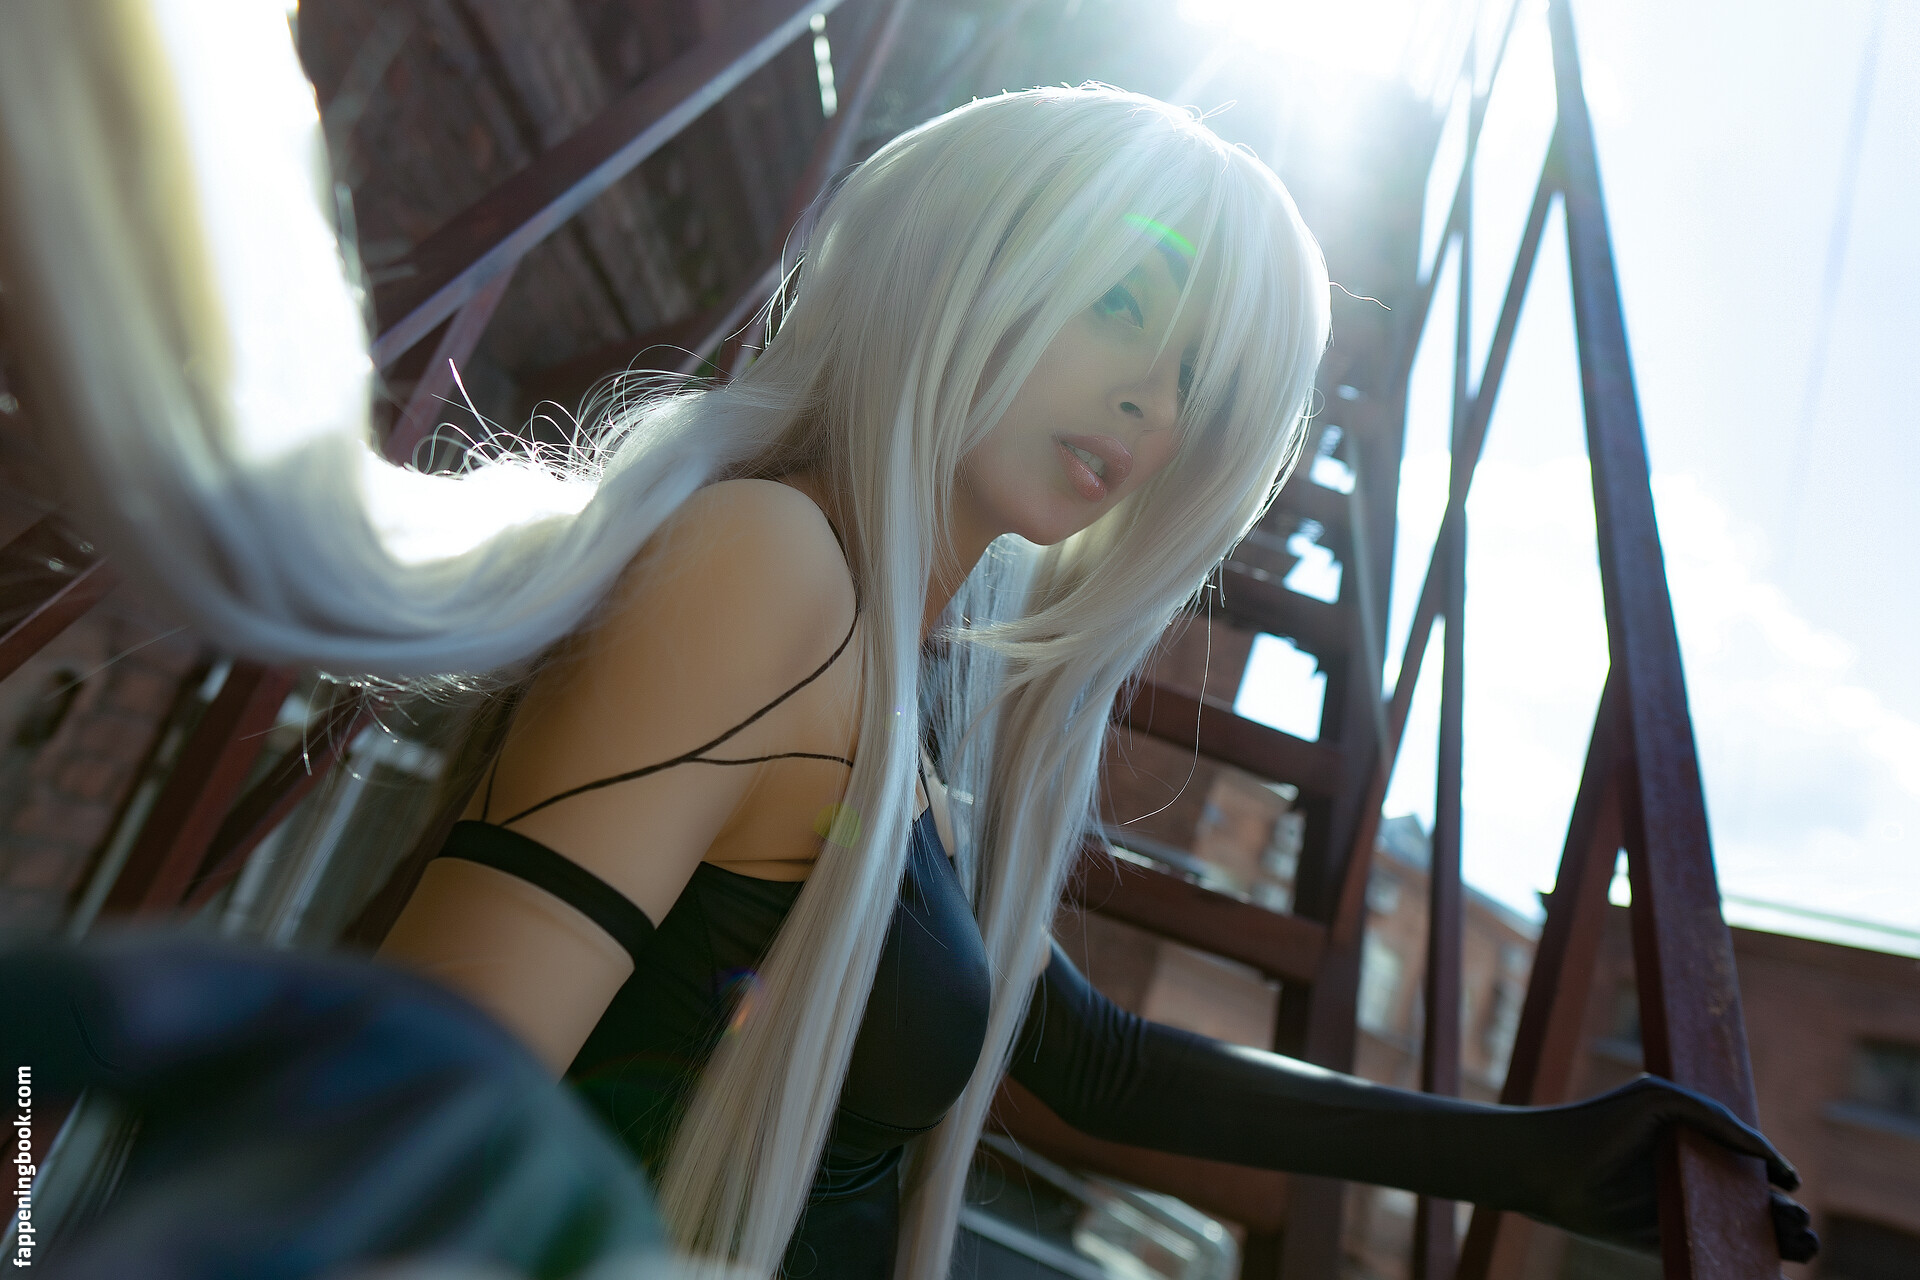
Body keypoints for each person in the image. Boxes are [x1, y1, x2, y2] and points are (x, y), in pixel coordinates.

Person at [0, 4, 1814, 1278]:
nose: (1153, 399)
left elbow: (1082, 1056)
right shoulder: (767, 567)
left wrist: (1530, 1156)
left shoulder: (910, 665)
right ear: (962, 262)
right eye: (1118, 302)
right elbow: (435, 1080)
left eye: (1197, 373)